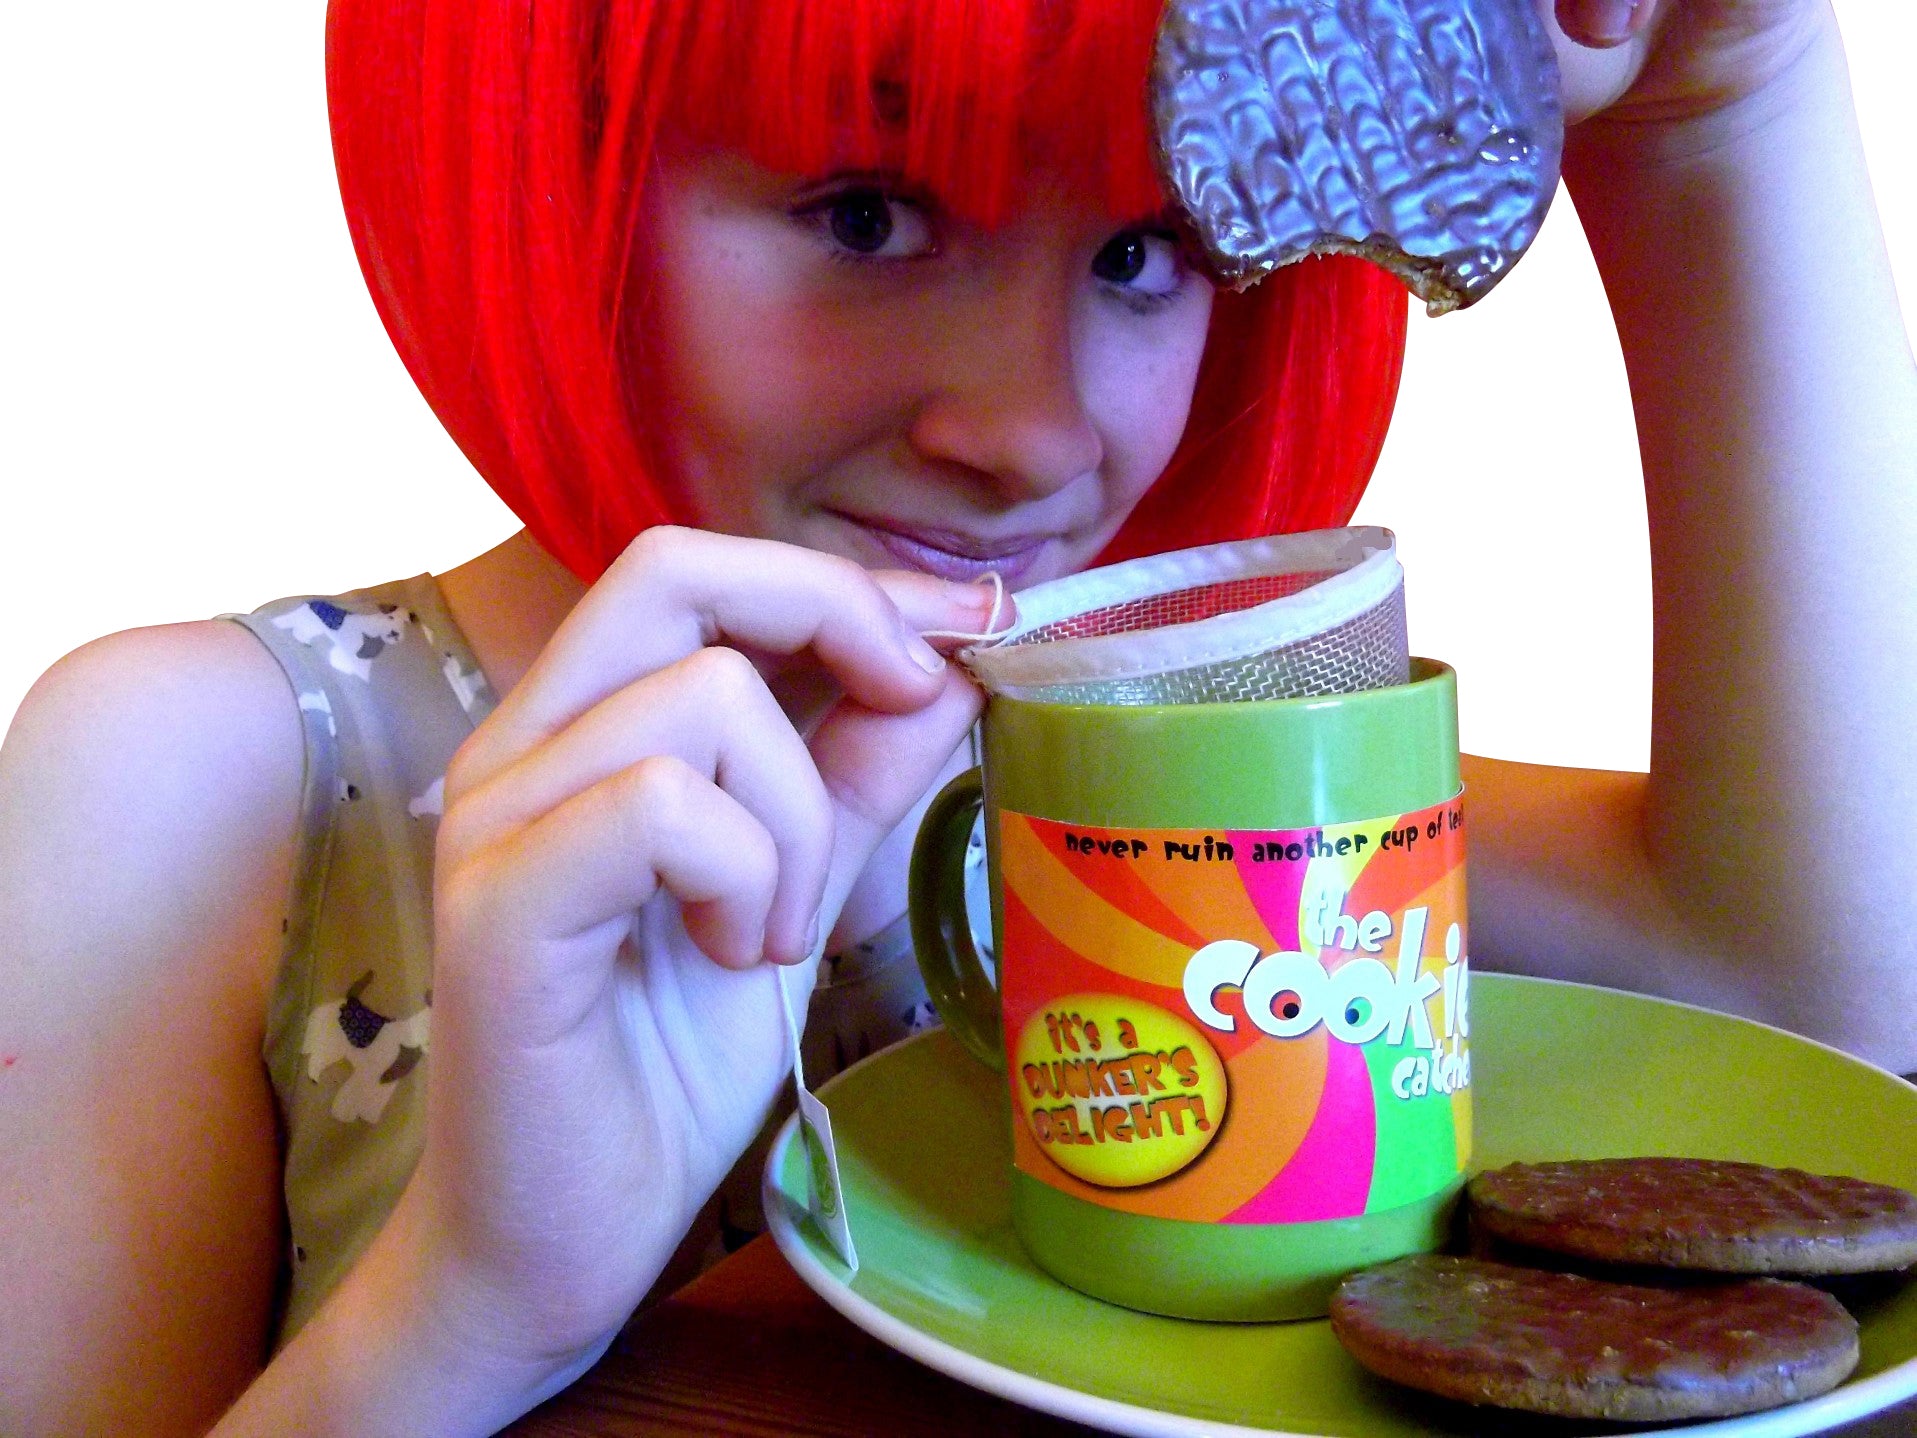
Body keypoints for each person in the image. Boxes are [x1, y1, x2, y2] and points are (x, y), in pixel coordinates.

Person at [2, 0, 1912, 1432]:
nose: (1029, 429)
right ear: (567, 164)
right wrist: (475, 1307)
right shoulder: (202, 774)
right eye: (864, 208)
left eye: (1144, 252)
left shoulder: (1160, 791)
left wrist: (1718, 112)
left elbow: (1817, 993)